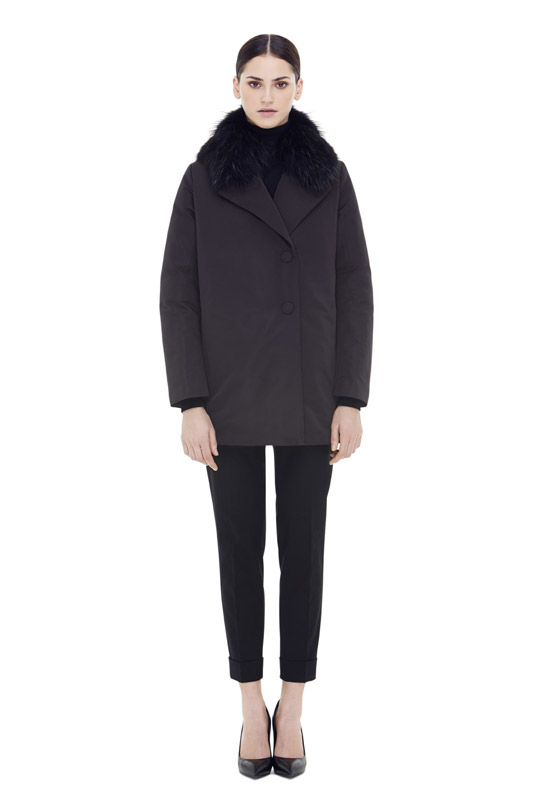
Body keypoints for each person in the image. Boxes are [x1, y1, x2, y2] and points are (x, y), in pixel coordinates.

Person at [159, 33, 374, 779]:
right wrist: (191, 401)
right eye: (255, 81)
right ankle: (251, 704)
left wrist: (350, 396)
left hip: (313, 392)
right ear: (235, 86)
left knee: (304, 554)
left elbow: (355, 288)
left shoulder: (330, 176)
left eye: (281, 82)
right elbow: (178, 293)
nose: (267, 95)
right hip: (229, 394)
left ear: (300, 88)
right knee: (239, 552)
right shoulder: (202, 178)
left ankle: (296, 706)